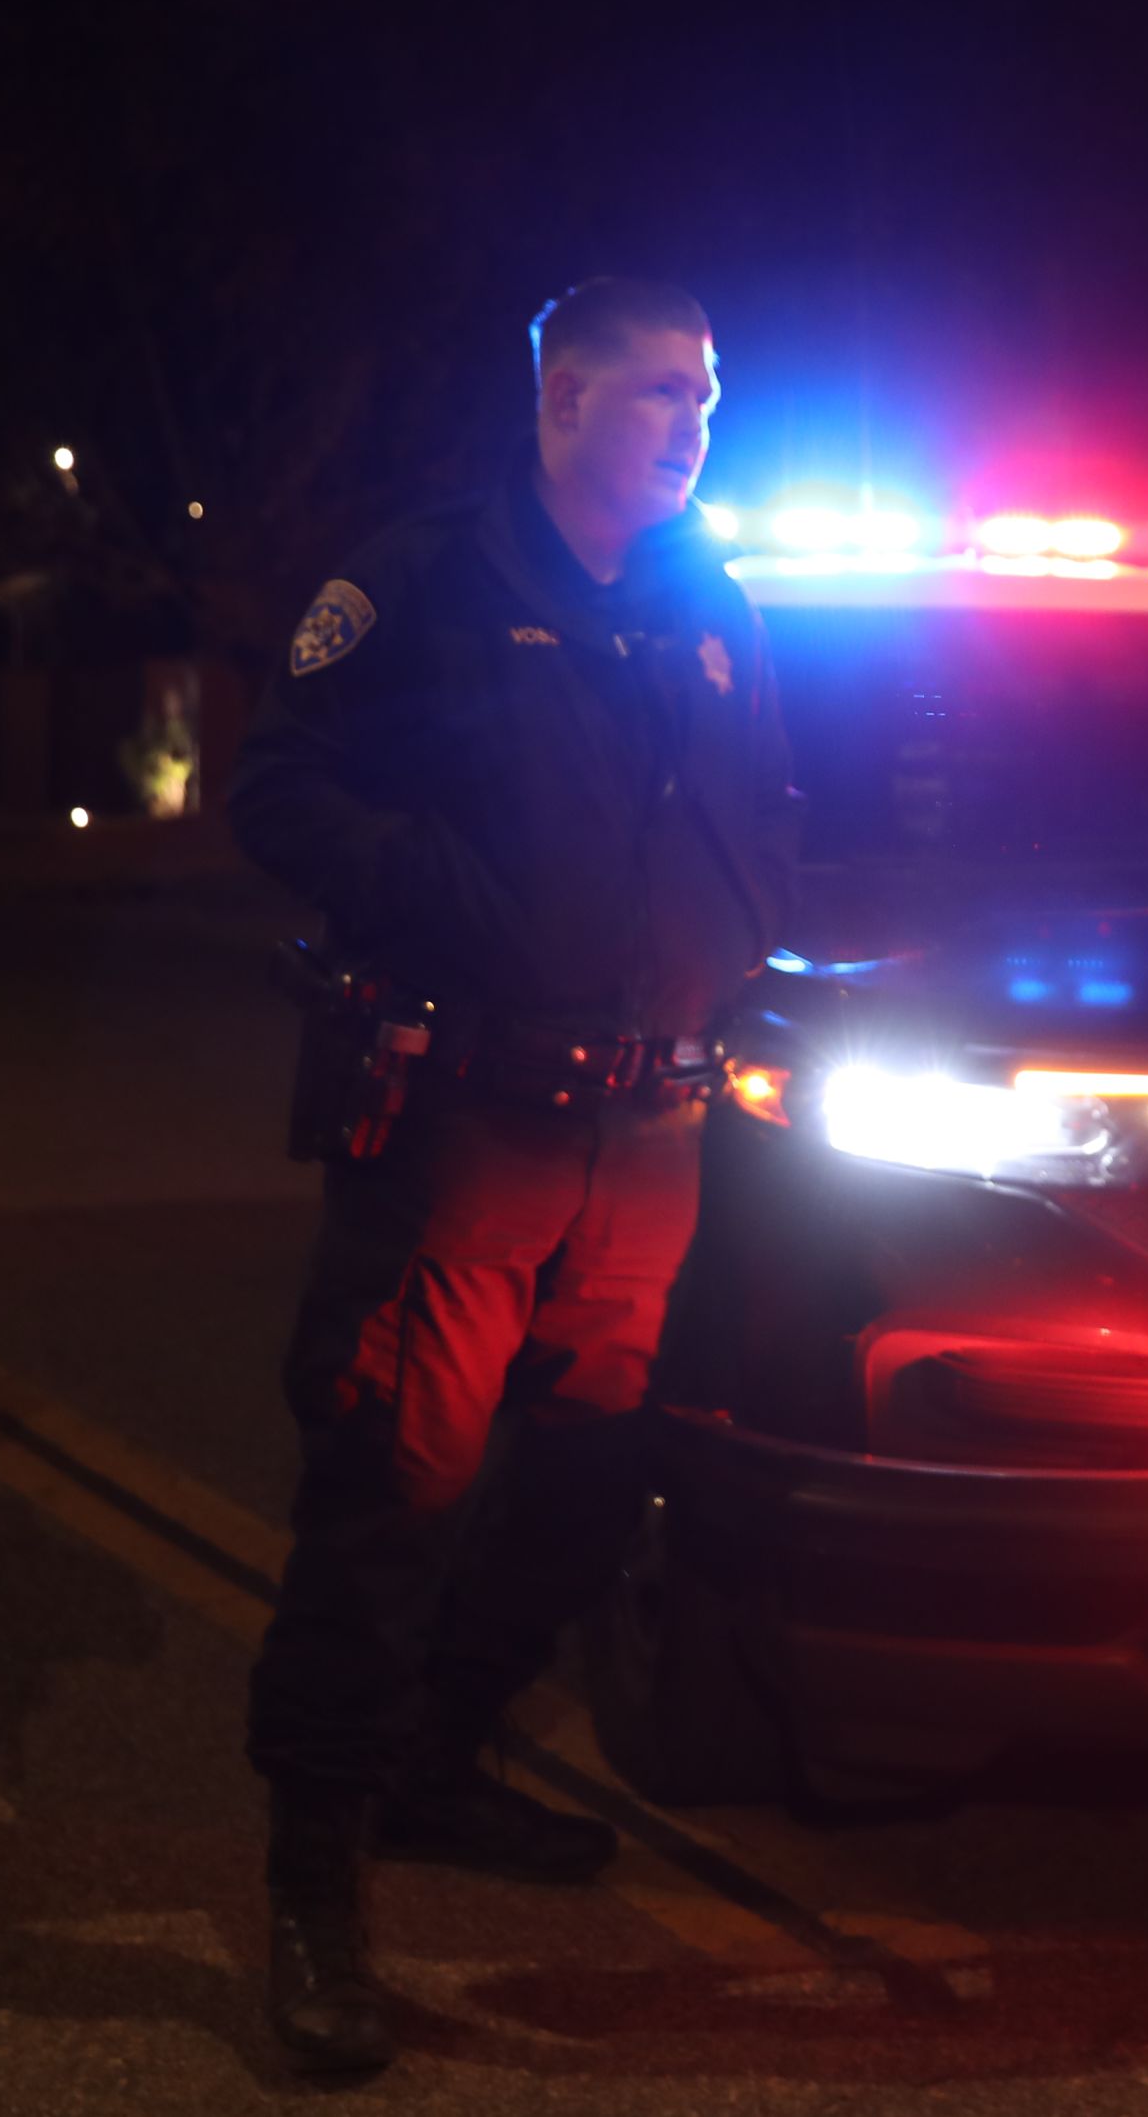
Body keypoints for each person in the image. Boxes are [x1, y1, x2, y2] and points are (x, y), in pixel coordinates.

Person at [231, 274, 798, 2073]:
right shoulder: (423, 582)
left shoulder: (711, 604)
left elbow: (758, 823)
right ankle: (315, 1895)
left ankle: (440, 1761)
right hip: (474, 1120)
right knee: (393, 1491)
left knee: (590, 1478)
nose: (694, 426)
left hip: (651, 1132)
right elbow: (277, 790)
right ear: (560, 404)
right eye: (656, 396)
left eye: (707, 395)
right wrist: (451, 904)